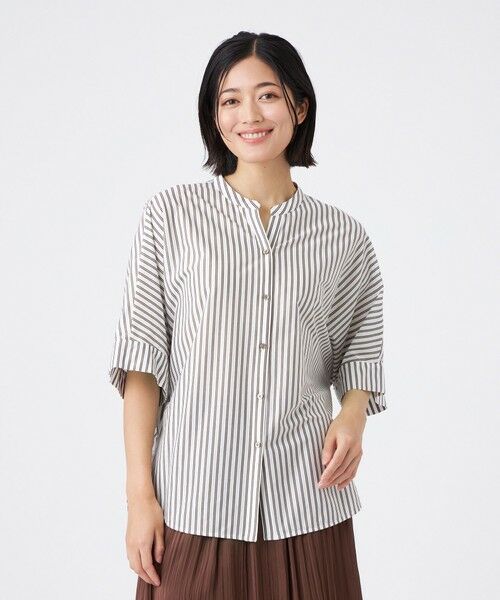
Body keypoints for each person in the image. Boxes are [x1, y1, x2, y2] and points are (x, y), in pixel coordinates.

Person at [108, 30, 387, 600]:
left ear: (299, 106)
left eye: (268, 95)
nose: (250, 115)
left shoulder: (343, 237)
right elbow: (142, 363)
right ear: (214, 116)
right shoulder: (171, 218)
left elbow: (361, 347)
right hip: (195, 497)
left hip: (306, 499)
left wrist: (353, 415)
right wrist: (140, 499)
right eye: (230, 100)